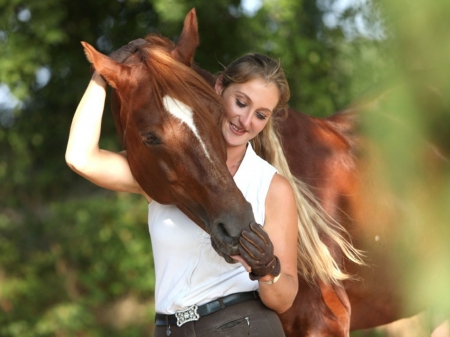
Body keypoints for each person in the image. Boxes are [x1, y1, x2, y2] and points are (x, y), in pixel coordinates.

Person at [66, 42, 359, 336]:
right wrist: (102, 76)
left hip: (241, 326)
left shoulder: (271, 186)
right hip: (169, 329)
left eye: (261, 114)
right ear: (218, 88)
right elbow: (81, 158)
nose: (246, 121)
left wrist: (267, 269)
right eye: (241, 103)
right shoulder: (168, 164)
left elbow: (284, 300)